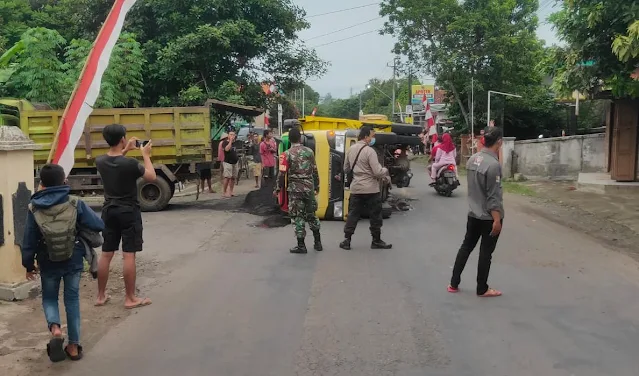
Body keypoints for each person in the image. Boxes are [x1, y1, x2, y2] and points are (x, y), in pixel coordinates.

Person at [22, 164, 104, 362]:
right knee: (72, 300)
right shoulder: (75, 203)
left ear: (41, 184)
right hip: (73, 257)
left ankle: (56, 328)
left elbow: (28, 240)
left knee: (49, 298)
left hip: (47, 260)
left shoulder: (34, 207)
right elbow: (98, 225)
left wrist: (28, 265)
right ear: (64, 181)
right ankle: (74, 346)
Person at [95, 124, 156, 309]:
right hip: (129, 211)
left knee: (106, 254)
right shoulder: (130, 164)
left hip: (109, 211)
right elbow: (151, 177)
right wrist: (145, 155)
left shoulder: (100, 161)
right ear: (122, 139)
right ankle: (130, 298)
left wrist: (126, 149)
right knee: (128, 255)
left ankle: (100, 296)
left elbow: (114, 160)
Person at [448, 126, 504, 298]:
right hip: (488, 217)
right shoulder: (493, 165)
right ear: (499, 142)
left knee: (466, 247)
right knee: (485, 253)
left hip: (473, 213)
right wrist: (497, 220)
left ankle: (453, 283)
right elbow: (493, 197)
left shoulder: (473, 159)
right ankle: (482, 288)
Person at [339, 126, 392, 250]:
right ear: (366, 136)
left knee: (353, 214)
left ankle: (347, 240)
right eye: (372, 136)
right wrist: (385, 170)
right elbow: (378, 172)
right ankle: (376, 241)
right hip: (371, 189)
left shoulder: (351, 149)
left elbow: (346, 169)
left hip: (356, 188)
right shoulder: (370, 151)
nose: (372, 139)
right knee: (375, 215)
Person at [275, 128, 322, 254]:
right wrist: (317, 186)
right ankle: (318, 242)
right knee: (311, 214)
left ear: (289, 140)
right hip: (309, 188)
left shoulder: (286, 154)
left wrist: (278, 188)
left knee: (297, 217)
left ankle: (301, 246)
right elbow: (315, 170)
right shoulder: (309, 152)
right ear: (300, 139)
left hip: (295, 190)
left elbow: (281, 173)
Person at [221, 131, 239, 197]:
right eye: (231, 134)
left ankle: (231, 191)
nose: (232, 136)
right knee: (227, 177)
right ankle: (224, 192)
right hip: (228, 162)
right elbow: (226, 149)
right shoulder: (225, 142)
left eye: (233, 135)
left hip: (235, 162)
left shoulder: (235, 143)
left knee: (233, 177)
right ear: (228, 135)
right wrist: (230, 141)